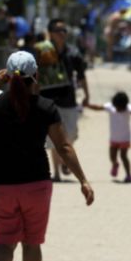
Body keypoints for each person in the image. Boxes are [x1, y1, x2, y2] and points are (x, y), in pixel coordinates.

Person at [0, 51, 94, 261]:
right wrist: (83, 180)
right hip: (36, 185)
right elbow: (63, 146)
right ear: (36, 76)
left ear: (7, 74)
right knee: (32, 244)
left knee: (4, 243)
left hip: (3, 186)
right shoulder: (45, 107)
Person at [35, 19, 90, 182]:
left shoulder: (73, 53)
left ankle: (65, 159)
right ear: (51, 33)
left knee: (71, 134)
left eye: (64, 30)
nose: (62, 34)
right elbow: (35, 75)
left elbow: (81, 76)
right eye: (58, 30)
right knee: (52, 138)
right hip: (48, 99)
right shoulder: (43, 51)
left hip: (68, 99)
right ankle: (57, 172)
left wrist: (87, 95)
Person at [85, 91, 131, 183]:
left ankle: (129, 175)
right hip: (114, 138)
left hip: (125, 138)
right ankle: (115, 164)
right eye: (116, 107)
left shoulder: (128, 108)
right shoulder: (111, 106)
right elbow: (99, 107)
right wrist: (88, 105)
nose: (117, 109)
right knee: (112, 156)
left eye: (120, 108)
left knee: (123, 156)